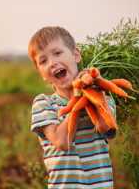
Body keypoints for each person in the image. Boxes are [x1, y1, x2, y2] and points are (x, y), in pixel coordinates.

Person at [28, 26, 116, 189]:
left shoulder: (102, 95)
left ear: (76, 55)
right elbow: (62, 142)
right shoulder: (43, 104)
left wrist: (92, 92)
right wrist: (78, 98)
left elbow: (106, 127)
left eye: (57, 53)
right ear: (42, 74)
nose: (52, 62)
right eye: (43, 61)